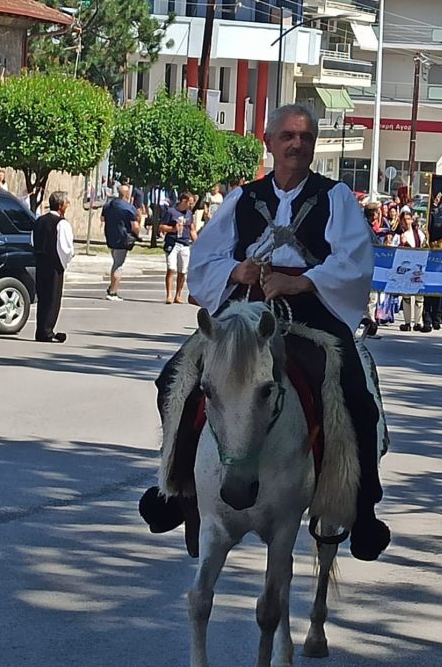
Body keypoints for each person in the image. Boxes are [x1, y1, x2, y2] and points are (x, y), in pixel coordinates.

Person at [141, 103, 389, 562]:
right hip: (245, 310)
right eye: (288, 136)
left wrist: (301, 280)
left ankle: (363, 507)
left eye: (306, 137)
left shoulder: (335, 198)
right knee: (174, 379)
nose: (297, 144)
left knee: (356, 393)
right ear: (270, 142)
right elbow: (204, 260)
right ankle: (174, 486)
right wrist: (239, 271)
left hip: (311, 311)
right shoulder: (243, 199)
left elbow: (353, 259)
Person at [32, 191, 74, 343]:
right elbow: (65, 248)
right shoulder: (61, 223)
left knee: (43, 297)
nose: (67, 206)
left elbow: (33, 240)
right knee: (52, 298)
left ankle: (41, 328)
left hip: (40, 262)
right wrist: (64, 263)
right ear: (61, 205)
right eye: (67, 203)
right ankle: (47, 331)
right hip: (54, 264)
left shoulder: (39, 221)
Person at [102, 184, 140, 301]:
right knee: (118, 265)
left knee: (115, 261)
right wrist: (137, 235)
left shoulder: (108, 205)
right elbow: (135, 226)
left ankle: (112, 287)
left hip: (110, 236)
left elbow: (102, 218)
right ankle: (113, 292)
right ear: (127, 194)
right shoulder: (129, 208)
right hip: (123, 239)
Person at [160, 191, 198, 304]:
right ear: (183, 201)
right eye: (190, 203)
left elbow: (192, 229)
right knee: (171, 269)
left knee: (183, 271)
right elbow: (161, 227)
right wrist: (173, 229)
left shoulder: (189, 213)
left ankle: (178, 295)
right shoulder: (171, 212)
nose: (191, 205)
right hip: (172, 243)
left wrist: (197, 243)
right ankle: (169, 295)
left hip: (185, 243)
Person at [390, 211, 426, 332]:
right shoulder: (398, 236)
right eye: (404, 219)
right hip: (405, 268)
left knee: (419, 296)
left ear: (411, 220)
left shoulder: (419, 234)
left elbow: (424, 247)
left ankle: (418, 321)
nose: (406, 221)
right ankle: (407, 322)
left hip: (417, 267)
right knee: (406, 295)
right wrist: (402, 242)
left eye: (408, 218)